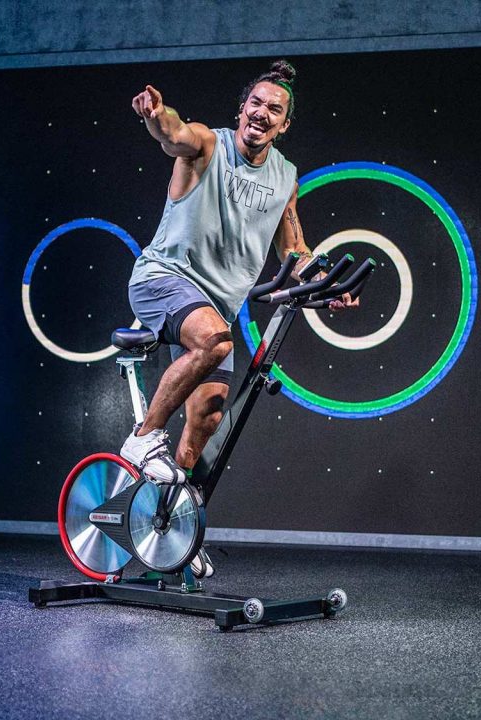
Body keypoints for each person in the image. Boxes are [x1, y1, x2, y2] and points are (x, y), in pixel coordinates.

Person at [121, 61, 357, 570]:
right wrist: (155, 115)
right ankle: (142, 441)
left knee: (209, 413)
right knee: (217, 341)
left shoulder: (285, 178)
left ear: (284, 124)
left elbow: (293, 250)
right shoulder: (209, 144)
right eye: (257, 103)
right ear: (242, 109)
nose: (263, 113)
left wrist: (325, 285)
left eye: (275, 109)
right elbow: (174, 133)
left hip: (214, 307)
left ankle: (173, 530)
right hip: (162, 279)